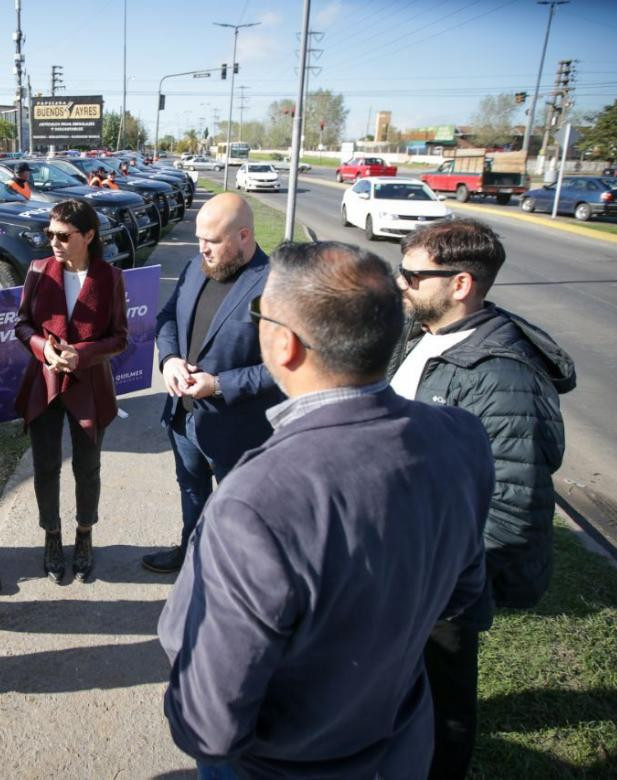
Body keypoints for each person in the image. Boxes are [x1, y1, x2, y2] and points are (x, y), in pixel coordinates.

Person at [158, 241, 494, 779]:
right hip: (400, 747)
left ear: (283, 344)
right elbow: (464, 594)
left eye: (258, 314)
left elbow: (207, 724)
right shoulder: (462, 437)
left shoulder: (254, 501)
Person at [387, 218, 574, 780]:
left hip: (444, 580)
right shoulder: (426, 334)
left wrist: (447, 585)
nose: (402, 284)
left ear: (461, 284)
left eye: (414, 275)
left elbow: (514, 508)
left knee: (444, 704)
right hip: (406, 559)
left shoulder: (502, 377)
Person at [141, 192, 283, 574]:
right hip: (184, 418)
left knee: (240, 514)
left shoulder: (275, 285)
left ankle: (231, 579)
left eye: (213, 241)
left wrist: (219, 384)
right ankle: (190, 554)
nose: (203, 248)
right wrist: (169, 359)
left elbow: (283, 368)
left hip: (238, 430)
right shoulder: (195, 266)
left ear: (244, 237)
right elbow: (168, 316)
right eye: (199, 239)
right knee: (192, 492)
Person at [14, 200, 129, 582]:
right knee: (45, 466)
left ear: (89, 235)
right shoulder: (37, 271)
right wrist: (43, 349)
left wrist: (81, 354)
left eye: (63, 236)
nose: (54, 243)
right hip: (44, 384)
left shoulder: (110, 277)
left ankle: (84, 533)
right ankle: (52, 534)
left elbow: (119, 338)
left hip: (89, 386)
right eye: (50, 235)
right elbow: (22, 325)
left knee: (87, 467)